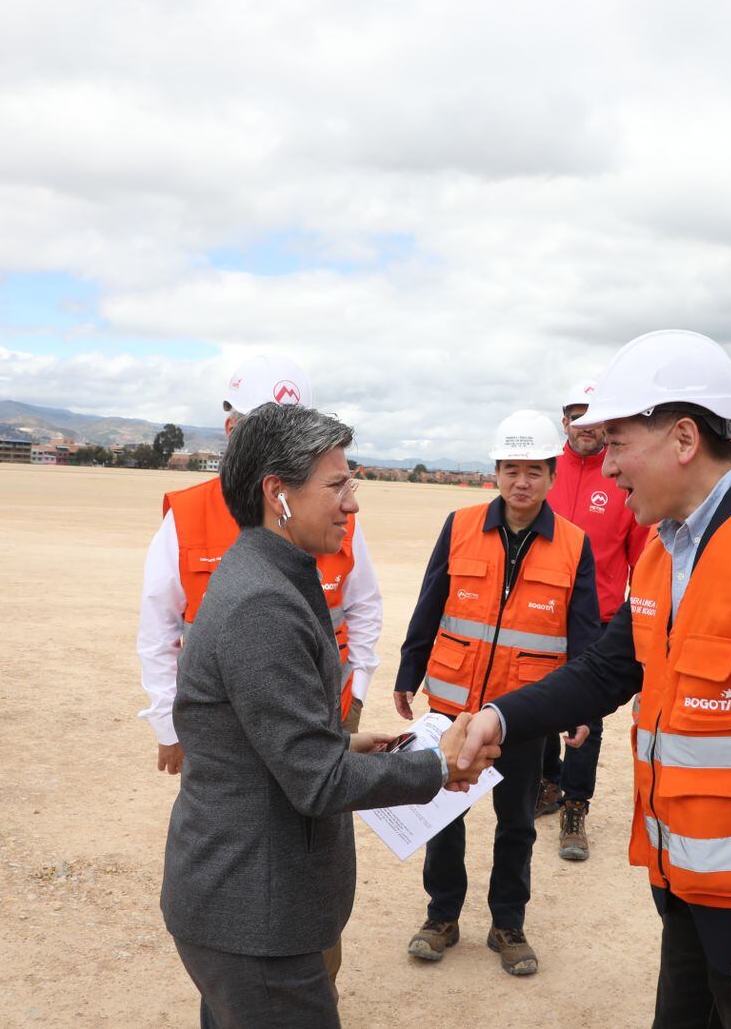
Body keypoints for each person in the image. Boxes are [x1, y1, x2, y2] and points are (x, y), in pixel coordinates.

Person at [458, 330, 731, 1027]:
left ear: (683, 439)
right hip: (689, 884)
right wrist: (498, 718)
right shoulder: (668, 545)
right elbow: (604, 670)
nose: (606, 466)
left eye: (618, 443)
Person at [160, 402, 498, 1029]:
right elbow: (315, 782)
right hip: (254, 915)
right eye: (337, 484)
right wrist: (437, 765)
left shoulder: (273, 573)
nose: (353, 502)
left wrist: (339, 744)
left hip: (252, 907)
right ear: (276, 494)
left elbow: (282, 747)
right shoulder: (263, 602)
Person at [393, 408, 601, 976]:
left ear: (552, 475)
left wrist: (580, 707)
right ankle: (441, 918)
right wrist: (409, 670)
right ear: (496, 472)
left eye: (533, 470)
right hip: (454, 706)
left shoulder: (575, 544)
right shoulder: (459, 526)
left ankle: (508, 925)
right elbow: (429, 601)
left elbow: (585, 634)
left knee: (516, 825)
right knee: (444, 817)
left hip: (523, 713)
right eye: (511, 469)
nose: (521, 482)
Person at [138, 354, 385, 776]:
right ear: (233, 429)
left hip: (325, 714)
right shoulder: (188, 514)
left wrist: (355, 697)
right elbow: (158, 630)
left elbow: (363, 607)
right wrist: (169, 727)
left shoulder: (337, 514)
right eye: (267, 429)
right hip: (224, 733)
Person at [537, 378, 651, 861]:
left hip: (599, 621)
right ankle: (546, 782)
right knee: (538, 704)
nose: (585, 427)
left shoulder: (624, 475)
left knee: (588, 718)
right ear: (564, 420)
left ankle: (575, 805)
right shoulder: (543, 470)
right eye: (576, 416)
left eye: (594, 417)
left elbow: (643, 560)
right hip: (539, 615)